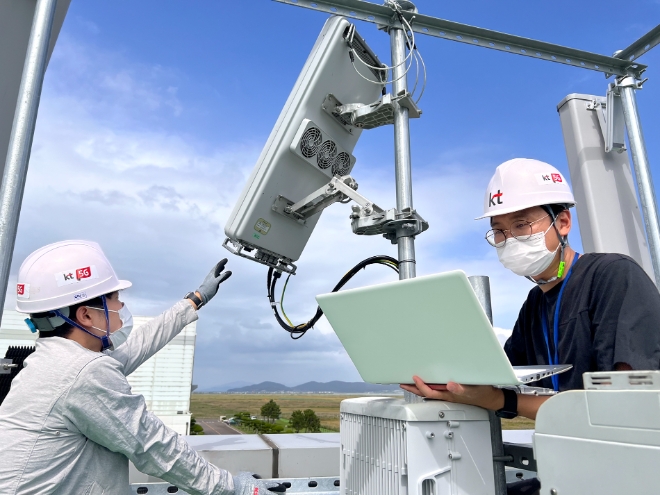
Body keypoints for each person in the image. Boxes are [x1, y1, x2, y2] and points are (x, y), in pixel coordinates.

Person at [402, 159, 660, 490]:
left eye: (522, 224)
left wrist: (498, 400)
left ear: (563, 222)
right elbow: (501, 377)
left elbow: (618, 411)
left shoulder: (613, 277)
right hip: (563, 471)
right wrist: (448, 382)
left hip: (626, 477)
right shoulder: (533, 306)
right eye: (499, 231)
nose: (509, 240)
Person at [0, 240, 282, 495]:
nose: (121, 305)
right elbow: (155, 447)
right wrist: (236, 489)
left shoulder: (58, 362)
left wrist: (195, 300)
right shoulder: (83, 373)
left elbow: (140, 345)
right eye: (112, 298)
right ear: (85, 315)